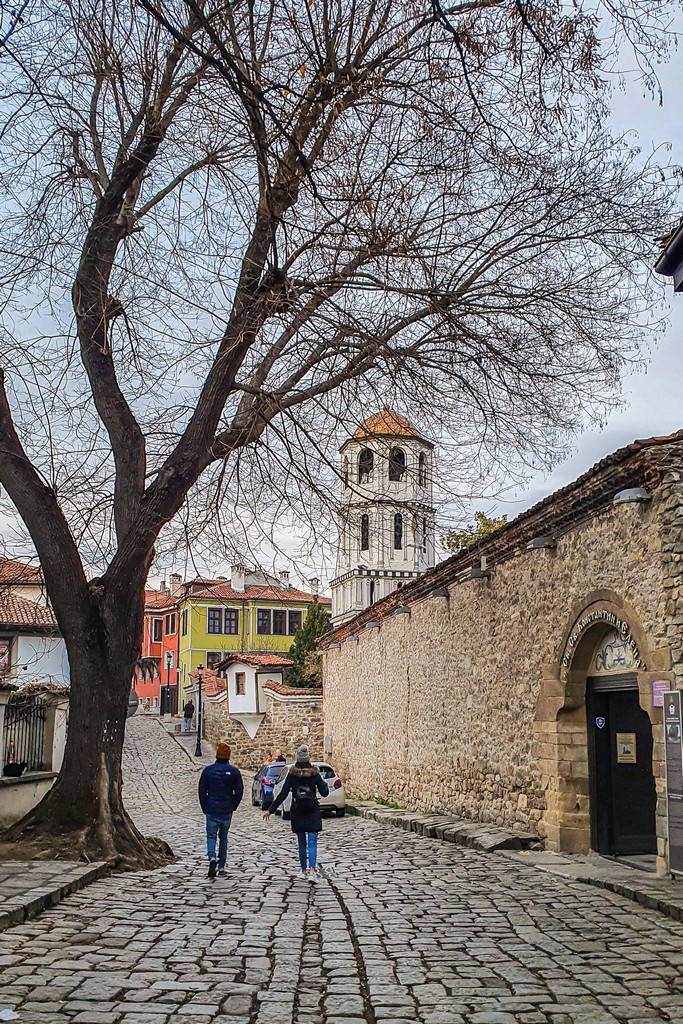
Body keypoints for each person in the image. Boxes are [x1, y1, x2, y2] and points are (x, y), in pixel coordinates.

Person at [264, 745, 328, 882]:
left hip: (298, 810)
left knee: (301, 842)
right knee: (312, 842)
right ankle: (312, 871)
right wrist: (322, 782)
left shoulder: (292, 775)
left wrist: (271, 809)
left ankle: (303, 870)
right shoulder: (315, 774)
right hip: (312, 809)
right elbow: (325, 792)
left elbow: (283, 794)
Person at [198, 741, 243, 879]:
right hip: (226, 809)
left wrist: (204, 806)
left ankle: (212, 857)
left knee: (211, 836)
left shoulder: (208, 771)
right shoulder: (234, 772)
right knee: (223, 837)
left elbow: (202, 790)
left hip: (211, 808)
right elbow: (239, 791)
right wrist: (233, 805)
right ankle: (222, 865)